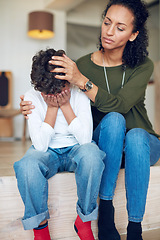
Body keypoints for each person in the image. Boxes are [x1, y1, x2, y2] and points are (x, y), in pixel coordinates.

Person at [19, 0, 160, 240]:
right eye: (107, 22)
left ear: (134, 34)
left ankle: (134, 229)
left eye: (120, 27)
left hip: (140, 144)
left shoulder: (142, 65)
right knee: (113, 122)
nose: (109, 31)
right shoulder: (82, 64)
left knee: (134, 134)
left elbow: (120, 105)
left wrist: (82, 81)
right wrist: (35, 105)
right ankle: (105, 210)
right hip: (107, 142)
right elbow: (55, 92)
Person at [14, 48, 105, 240]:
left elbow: (85, 139)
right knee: (26, 165)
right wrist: (52, 109)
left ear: (67, 80)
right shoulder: (32, 97)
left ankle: (84, 221)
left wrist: (65, 105)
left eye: (61, 89)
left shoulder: (78, 93)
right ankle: (40, 230)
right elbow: (40, 145)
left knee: (92, 155)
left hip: (76, 148)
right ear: (40, 88)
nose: (56, 95)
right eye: (49, 93)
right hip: (48, 152)